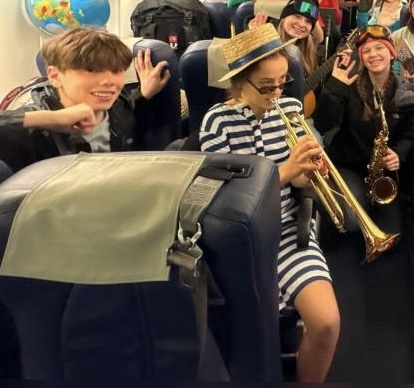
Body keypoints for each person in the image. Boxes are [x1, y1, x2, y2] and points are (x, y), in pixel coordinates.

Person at [199, 24, 340, 383]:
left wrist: (311, 172)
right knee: (252, 334)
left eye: (282, 82)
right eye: (266, 86)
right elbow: (224, 199)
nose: (277, 93)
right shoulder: (217, 122)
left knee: (326, 323)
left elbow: (301, 181)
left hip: (288, 231)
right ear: (239, 83)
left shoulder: (291, 108)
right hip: (239, 243)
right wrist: (286, 170)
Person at [0, 27, 170, 173]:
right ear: (55, 76)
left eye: (116, 71)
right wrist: (53, 118)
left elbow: (131, 107)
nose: (109, 81)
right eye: (92, 70)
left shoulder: (118, 106)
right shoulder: (34, 129)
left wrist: (144, 93)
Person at [311, 25, 414, 236]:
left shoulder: (406, 92)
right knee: (352, 222)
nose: (373, 54)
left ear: (392, 53)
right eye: (366, 51)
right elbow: (322, 124)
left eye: (379, 48)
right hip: (349, 166)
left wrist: (399, 153)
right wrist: (335, 86)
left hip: (383, 173)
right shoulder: (348, 86)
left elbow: (409, 132)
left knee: (393, 232)